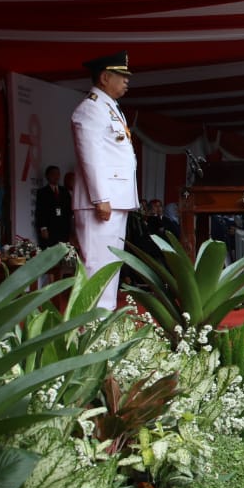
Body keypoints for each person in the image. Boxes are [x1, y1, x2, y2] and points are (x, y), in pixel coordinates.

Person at [71, 51, 137, 311]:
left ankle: (103, 324)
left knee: (110, 265)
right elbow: (91, 157)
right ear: (104, 77)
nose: (126, 81)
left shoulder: (108, 107)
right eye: (121, 76)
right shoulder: (90, 109)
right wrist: (100, 198)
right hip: (101, 200)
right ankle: (89, 328)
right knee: (96, 266)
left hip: (115, 198)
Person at [35, 164, 73, 248]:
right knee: (50, 251)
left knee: (64, 251)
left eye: (58, 174)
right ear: (47, 176)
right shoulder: (42, 192)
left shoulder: (64, 191)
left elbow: (69, 208)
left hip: (63, 227)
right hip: (50, 227)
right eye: (53, 174)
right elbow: (40, 211)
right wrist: (43, 228)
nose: (56, 176)